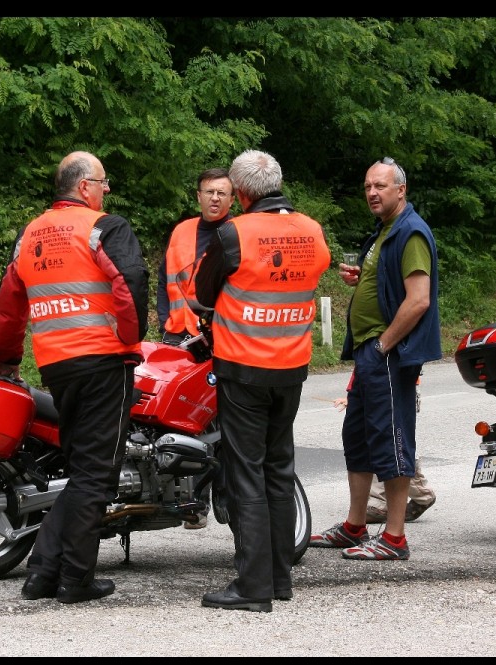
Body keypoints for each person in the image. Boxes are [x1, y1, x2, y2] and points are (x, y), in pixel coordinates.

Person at [0, 150, 149, 603]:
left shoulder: (30, 234)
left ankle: (42, 573)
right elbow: (130, 281)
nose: (108, 189)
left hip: (56, 365)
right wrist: (131, 339)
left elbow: (9, 305)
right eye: (103, 181)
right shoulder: (104, 227)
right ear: (84, 187)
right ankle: (75, 580)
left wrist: (6, 358)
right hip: (103, 362)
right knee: (96, 476)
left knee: (81, 473)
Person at [193, 149, 330, 612]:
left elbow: (203, 293)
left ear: (243, 193)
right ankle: (279, 578)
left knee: (246, 473)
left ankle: (252, 587)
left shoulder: (233, 234)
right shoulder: (311, 230)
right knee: (279, 469)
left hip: (243, 369)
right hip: (291, 368)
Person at [310, 156, 441, 561]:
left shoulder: (411, 232)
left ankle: (395, 537)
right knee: (359, 437)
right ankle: (355, 526)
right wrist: (362, 277)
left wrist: (384, 345)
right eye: (368, 186)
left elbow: (418, 300)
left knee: (391, 438)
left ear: (401, 190)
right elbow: (390, 283)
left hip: (388, 354)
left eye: (380, 186)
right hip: (370, 352)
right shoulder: (385, 232)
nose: (372, 192)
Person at [156, 167, 235, 530]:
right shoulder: (182, 231)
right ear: (198, 196)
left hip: (220, 342)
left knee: (219, 425)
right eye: (209, 191)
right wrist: (163, 323)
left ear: (232, 199)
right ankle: (191, 502)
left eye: (222, 192)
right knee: (179, 423)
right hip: (178, 338)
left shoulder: (236, 234)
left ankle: (223, 495)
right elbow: (163, 278)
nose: (215, 198)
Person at [332, 370, 436, 523]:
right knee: (376, 442)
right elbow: (364, 363)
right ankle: (381, 502)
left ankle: (417, 496)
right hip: (374, 386)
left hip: (395, 386)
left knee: (393, 445)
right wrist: (356, 393)